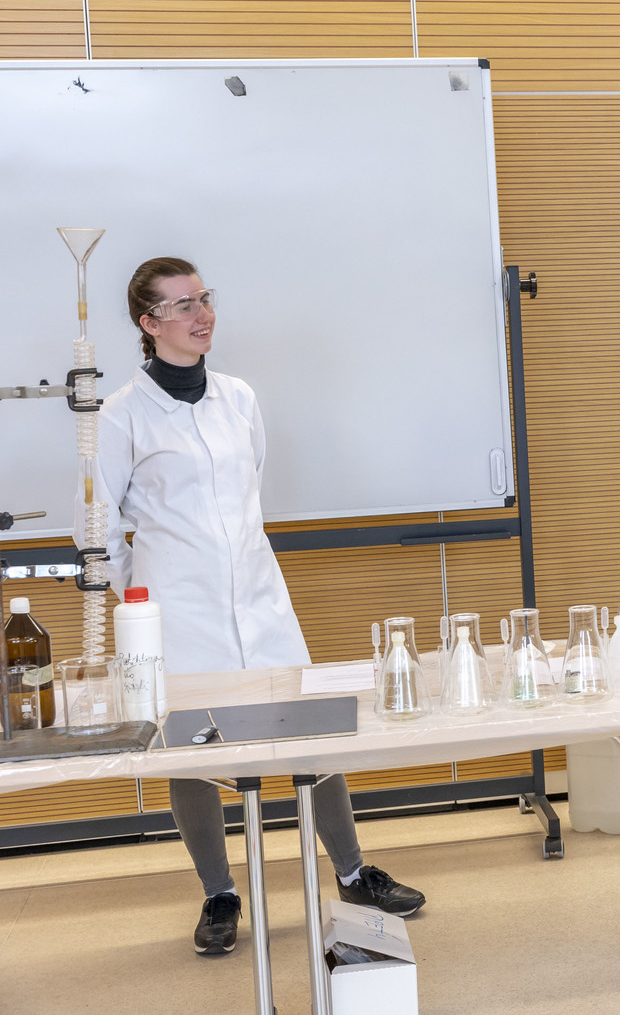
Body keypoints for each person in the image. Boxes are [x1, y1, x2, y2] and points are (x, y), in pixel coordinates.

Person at [86, 257, 426, 956]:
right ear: (149, 323)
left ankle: (354, 875)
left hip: (261, 599)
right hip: (178, 615)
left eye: (204, 298)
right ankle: (220, 894)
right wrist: (142, 600)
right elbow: (95, 530)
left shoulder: (238, 397)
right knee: (189, 755)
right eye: (182, 305)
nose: (201, 314)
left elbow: (250, 494)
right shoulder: (121, 414)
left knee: (312, 735)